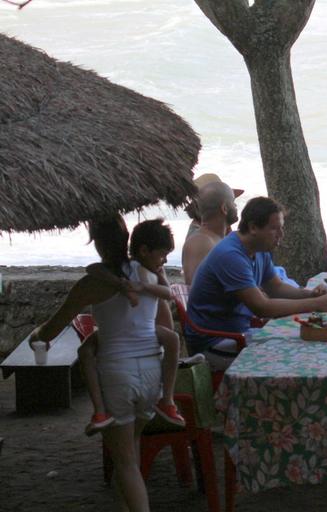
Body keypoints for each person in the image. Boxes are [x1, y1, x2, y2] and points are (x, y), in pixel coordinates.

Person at [28, 215, 165, 512]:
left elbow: (50, 330)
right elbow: (163, 321)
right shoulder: (147, 272)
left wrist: (36, 335)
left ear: (96, 242)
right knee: (130, 451)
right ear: (127, 235)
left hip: (117, 374)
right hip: (152, 370)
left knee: (126, 461)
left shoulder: (90, 284)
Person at [185, 197, 327, 370]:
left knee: (302, 342)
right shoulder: (230, 255)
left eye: (282, 228)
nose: (281, 235)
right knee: (297, 353)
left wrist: (310, 294)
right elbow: (262, 307)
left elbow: (276, 287)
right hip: (214, 343)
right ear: (253, 227)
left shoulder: (260, 248)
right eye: (274, 229)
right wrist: (316, 304)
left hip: (238, 332)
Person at [79, 219, 185, 435]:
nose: (164, 260)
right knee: (172, 339)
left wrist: (141, 286)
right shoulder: (140, 272)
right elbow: (168, 295)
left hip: (124, 354)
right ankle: (166, 399)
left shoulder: (139, 273)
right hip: (143, 352)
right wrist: (126, 286)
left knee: (85, 351)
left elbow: (168, 292)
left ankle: (102, 410)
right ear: (145, 250)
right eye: (162, 254)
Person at [182, 180, 239, 285]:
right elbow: (196, 290)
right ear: (224, 208)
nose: (236, 206)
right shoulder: (201, 242)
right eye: (233, 202)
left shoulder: (215, 238)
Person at [185, 173, 244, 240]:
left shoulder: (215, 231)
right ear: (223, 207)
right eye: (231, 201)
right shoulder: (200, 239)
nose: (235, 205)